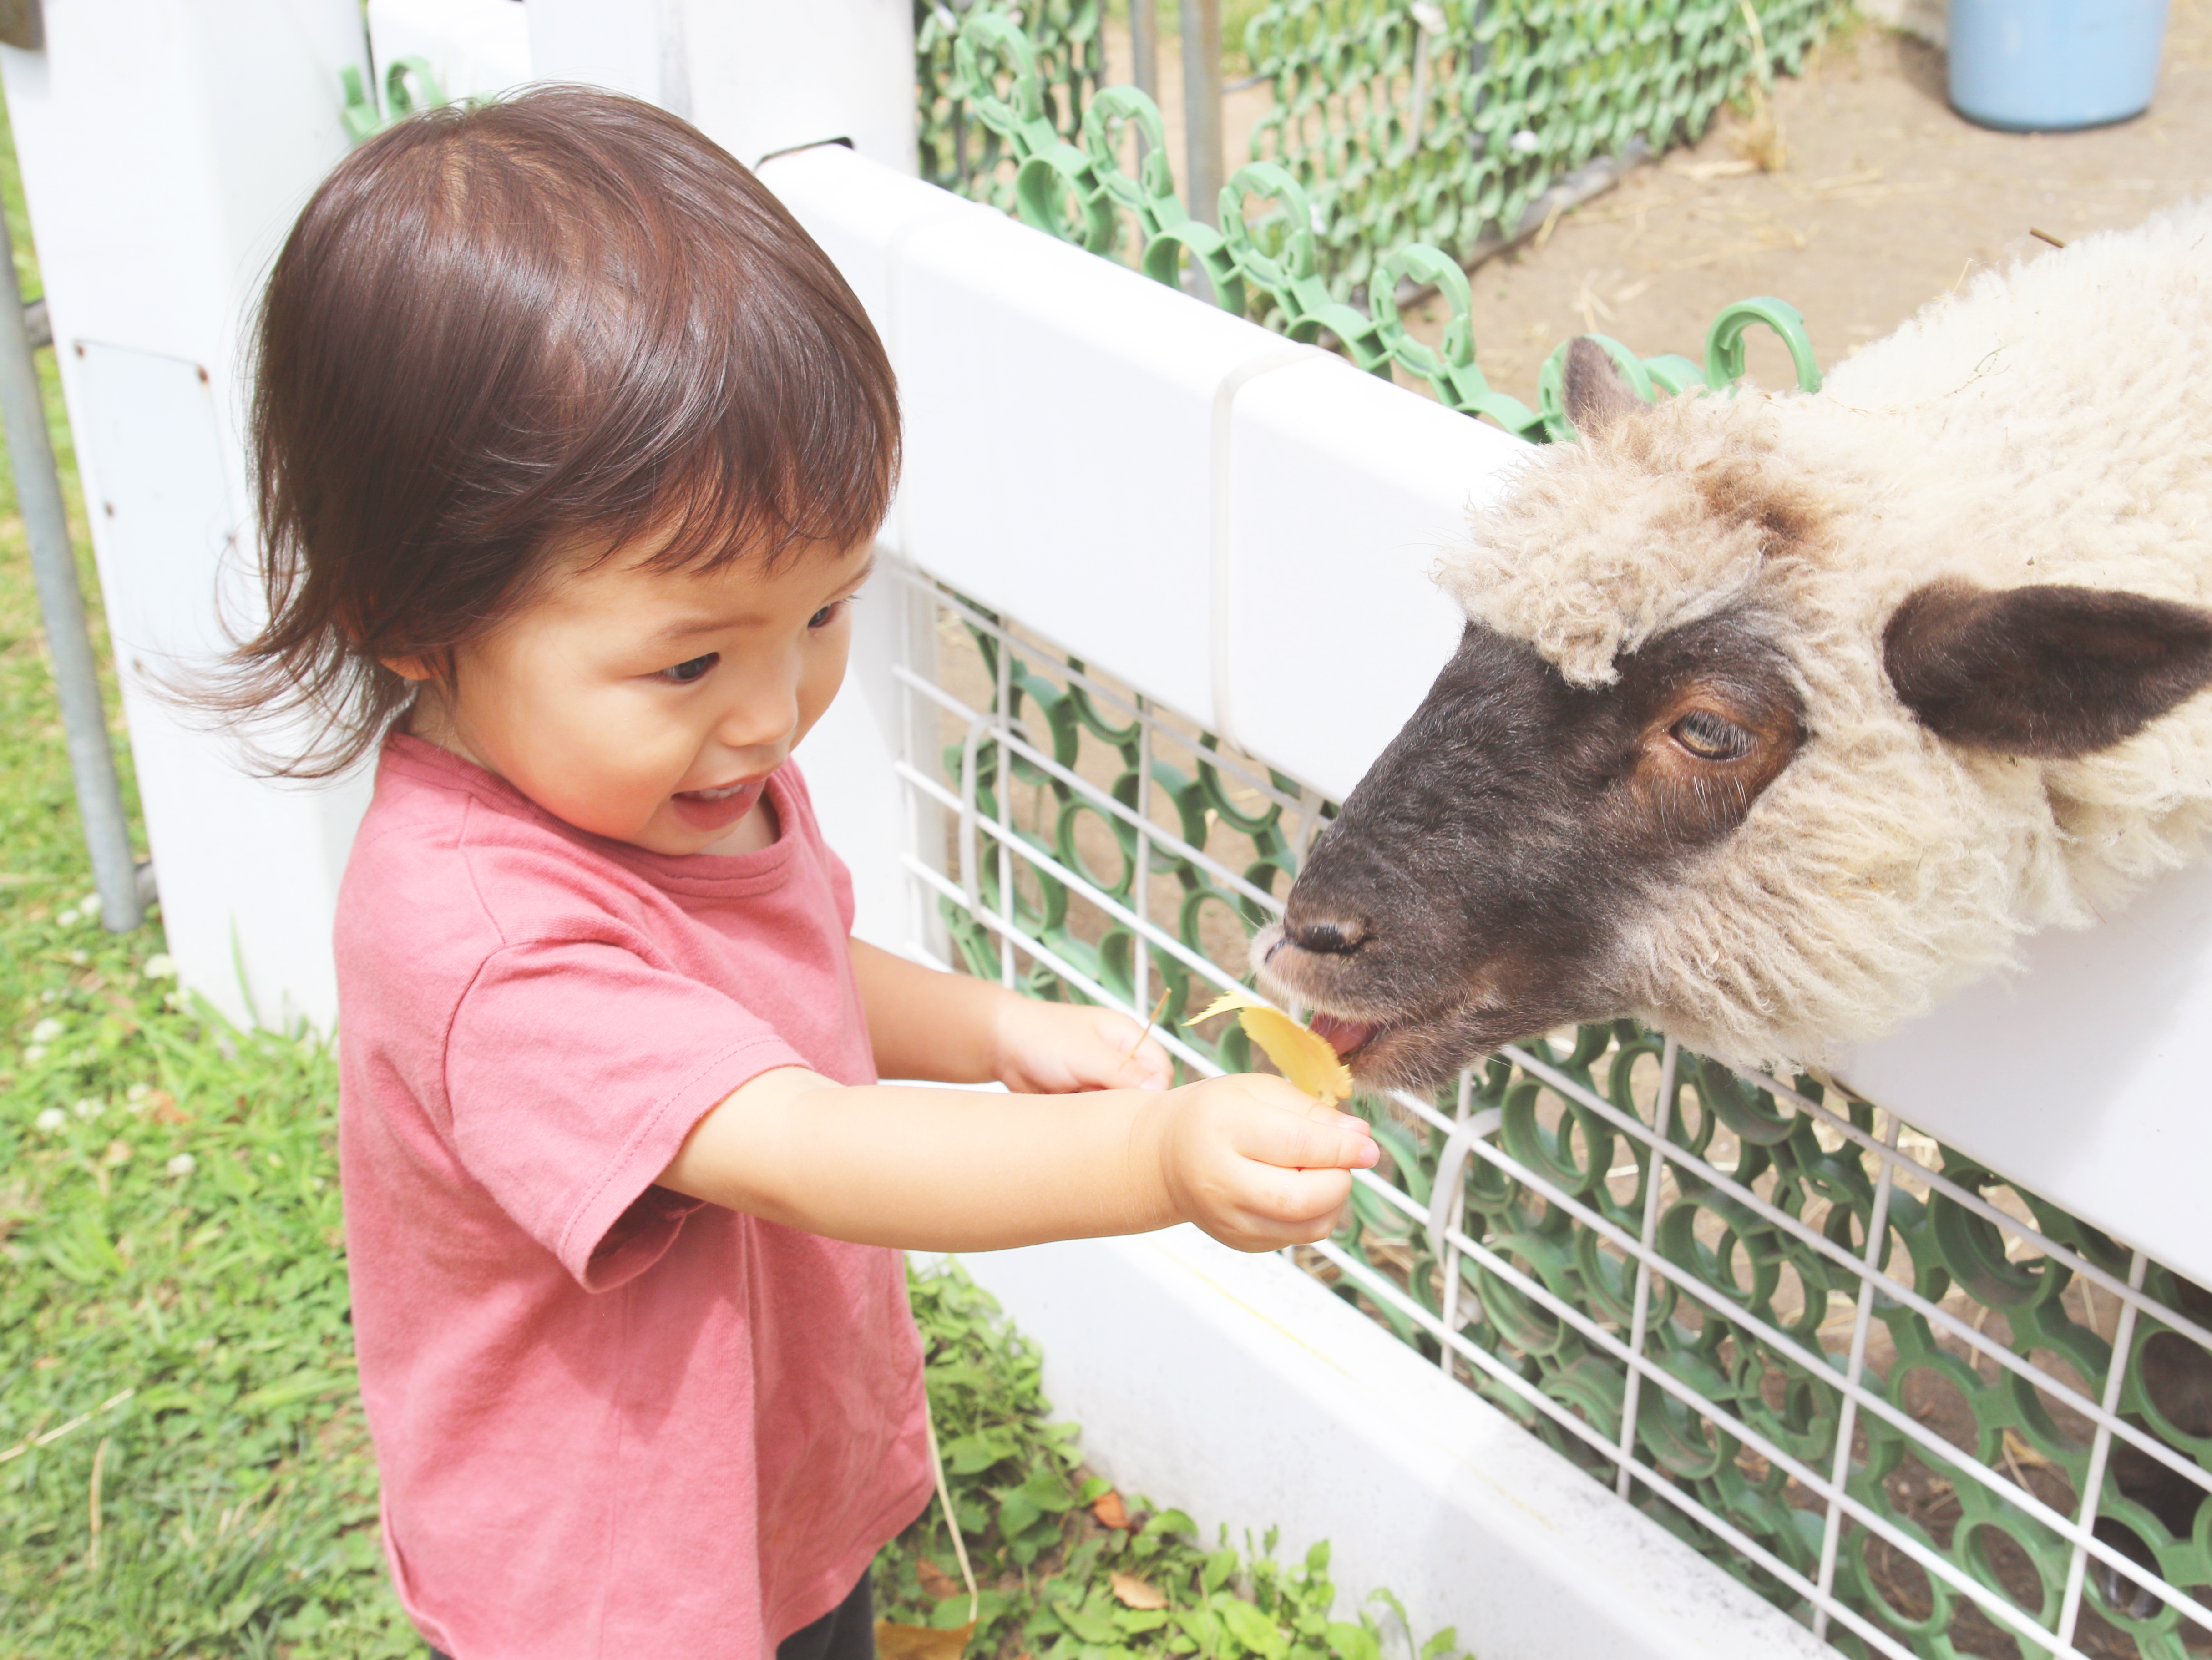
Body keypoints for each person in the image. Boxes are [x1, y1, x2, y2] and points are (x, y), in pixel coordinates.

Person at [215, 86, 1377, 1660]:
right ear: (416, 618)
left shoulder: (684, 784)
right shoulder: (486, 945)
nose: (773, 711)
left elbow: (794, 971)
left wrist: (986, 1030)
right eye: (690, 659)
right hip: (610, 1581)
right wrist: (1160, 1163)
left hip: (762, 1488)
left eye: (825, 612)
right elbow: (806, 1143)